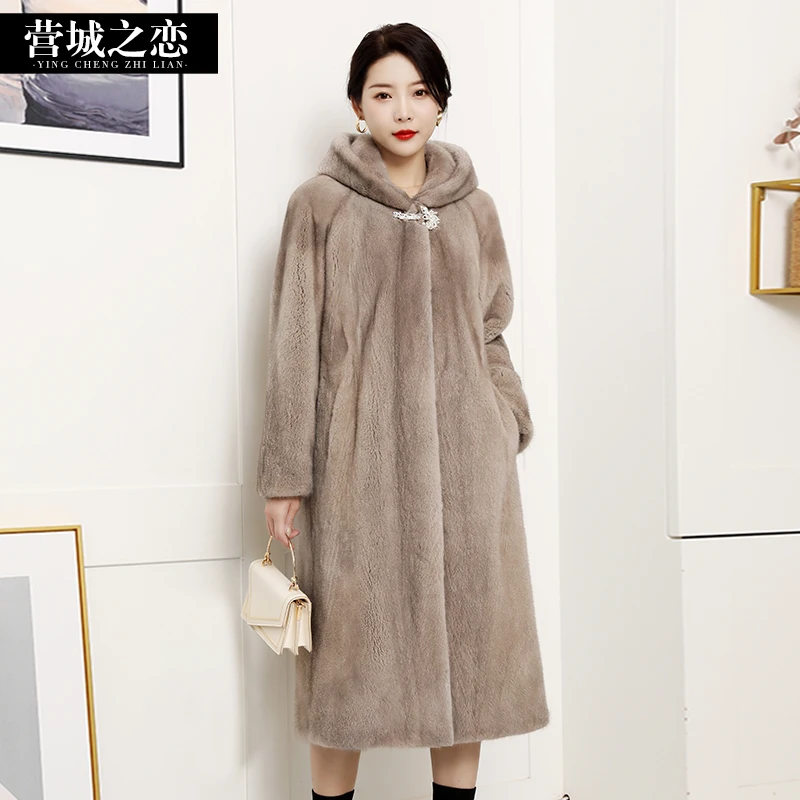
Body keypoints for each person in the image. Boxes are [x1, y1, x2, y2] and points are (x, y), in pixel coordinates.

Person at [256, 22, 549, 800]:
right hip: (360, 469)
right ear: (357, 105)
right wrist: (285, 478)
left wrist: (506, 417)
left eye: (419, 92)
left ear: (441, 101)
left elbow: (490, 328)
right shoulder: (318, 206)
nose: (403, 110)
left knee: (470, 670)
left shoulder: (475, 210)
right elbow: (294, 348)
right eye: (383, 94)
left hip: (469, 467)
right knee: (347, 676)